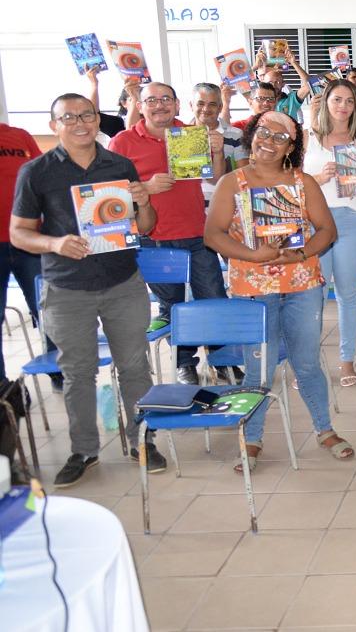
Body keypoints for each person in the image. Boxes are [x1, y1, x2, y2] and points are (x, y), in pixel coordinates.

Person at [11, 93, 165, 486]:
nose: (80, 123)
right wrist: (54, 243)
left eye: (87, 115)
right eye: (69, 117)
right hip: (66, 288)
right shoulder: (37, 171)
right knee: (77, 372)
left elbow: (144, 226)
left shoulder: (118, 163)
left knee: (134, 366)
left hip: (122, 282)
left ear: (98, 119)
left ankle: (142, 441)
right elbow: (19, 233)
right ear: (54, 124)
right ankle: (83, 450)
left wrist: (144, 201)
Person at [205, 110, 352, 470]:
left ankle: (325, 429)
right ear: (251, 137)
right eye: (263, 134)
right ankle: (252, 438)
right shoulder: (232, 183)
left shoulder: (304, 184)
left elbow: (326, 231)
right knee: (259, 369)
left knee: (306, 362)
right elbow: (213, 235)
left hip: (302, 284)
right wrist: (252, 255)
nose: (269, 142)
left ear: (292, 146)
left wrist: (302, 253)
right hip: (253, 288)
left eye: (279, 137)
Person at [109, 82, 228, 385]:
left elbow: (215, 179)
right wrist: (146, 188)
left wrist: (216, 152)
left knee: (213, 299)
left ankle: (222, 359)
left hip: (197, 235)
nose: (159, 105)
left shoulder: (190, 134)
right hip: (153, 240)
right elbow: (108, 195)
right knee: (173, 307)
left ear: (177, 104)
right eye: (152, 100)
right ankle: (184, 363)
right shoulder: (122, 142)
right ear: (140, 104)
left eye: (166, 99)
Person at [304, 81, 356, 387]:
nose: (343, 105)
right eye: (337, 99)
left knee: (347, 294)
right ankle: (309, 366)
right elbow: (295, 184)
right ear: (326, 102)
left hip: (354, 219)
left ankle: (347, 363)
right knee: (313, 297)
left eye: (349, 100)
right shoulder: (308, 139)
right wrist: (319, 178)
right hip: (318, 221)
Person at [0, 118, 42, 383]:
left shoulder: (20, 135)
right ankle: (3, 386)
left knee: (47, 309)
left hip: (30, 239)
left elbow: (42, 175)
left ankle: (59, 371)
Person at [190, 82, 242, 207]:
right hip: (188, 207)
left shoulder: (236, 135)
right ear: (191, 105)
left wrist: (220, 153)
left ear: (220, 107)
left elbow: (242, 175)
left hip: (223, 207)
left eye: (212, 104)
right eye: (200, 103)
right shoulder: (179, 135)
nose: (206, 109)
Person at [253, 44, 312, 122]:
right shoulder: (258, 100)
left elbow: (310, 84)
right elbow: (238, 82)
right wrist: (255, 66)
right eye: (270, 82)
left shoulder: (291, 100)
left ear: (283, 83)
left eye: (277, 82)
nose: (273, 85)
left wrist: (293, 63)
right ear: (263, 81)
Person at [85, 68, 136, 139]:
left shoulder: (151, 117)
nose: (137, 103)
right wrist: (94, 84)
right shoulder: (118, 124)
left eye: (141, 100)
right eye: (132, 99)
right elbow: (93, 115)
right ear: (123, 103)